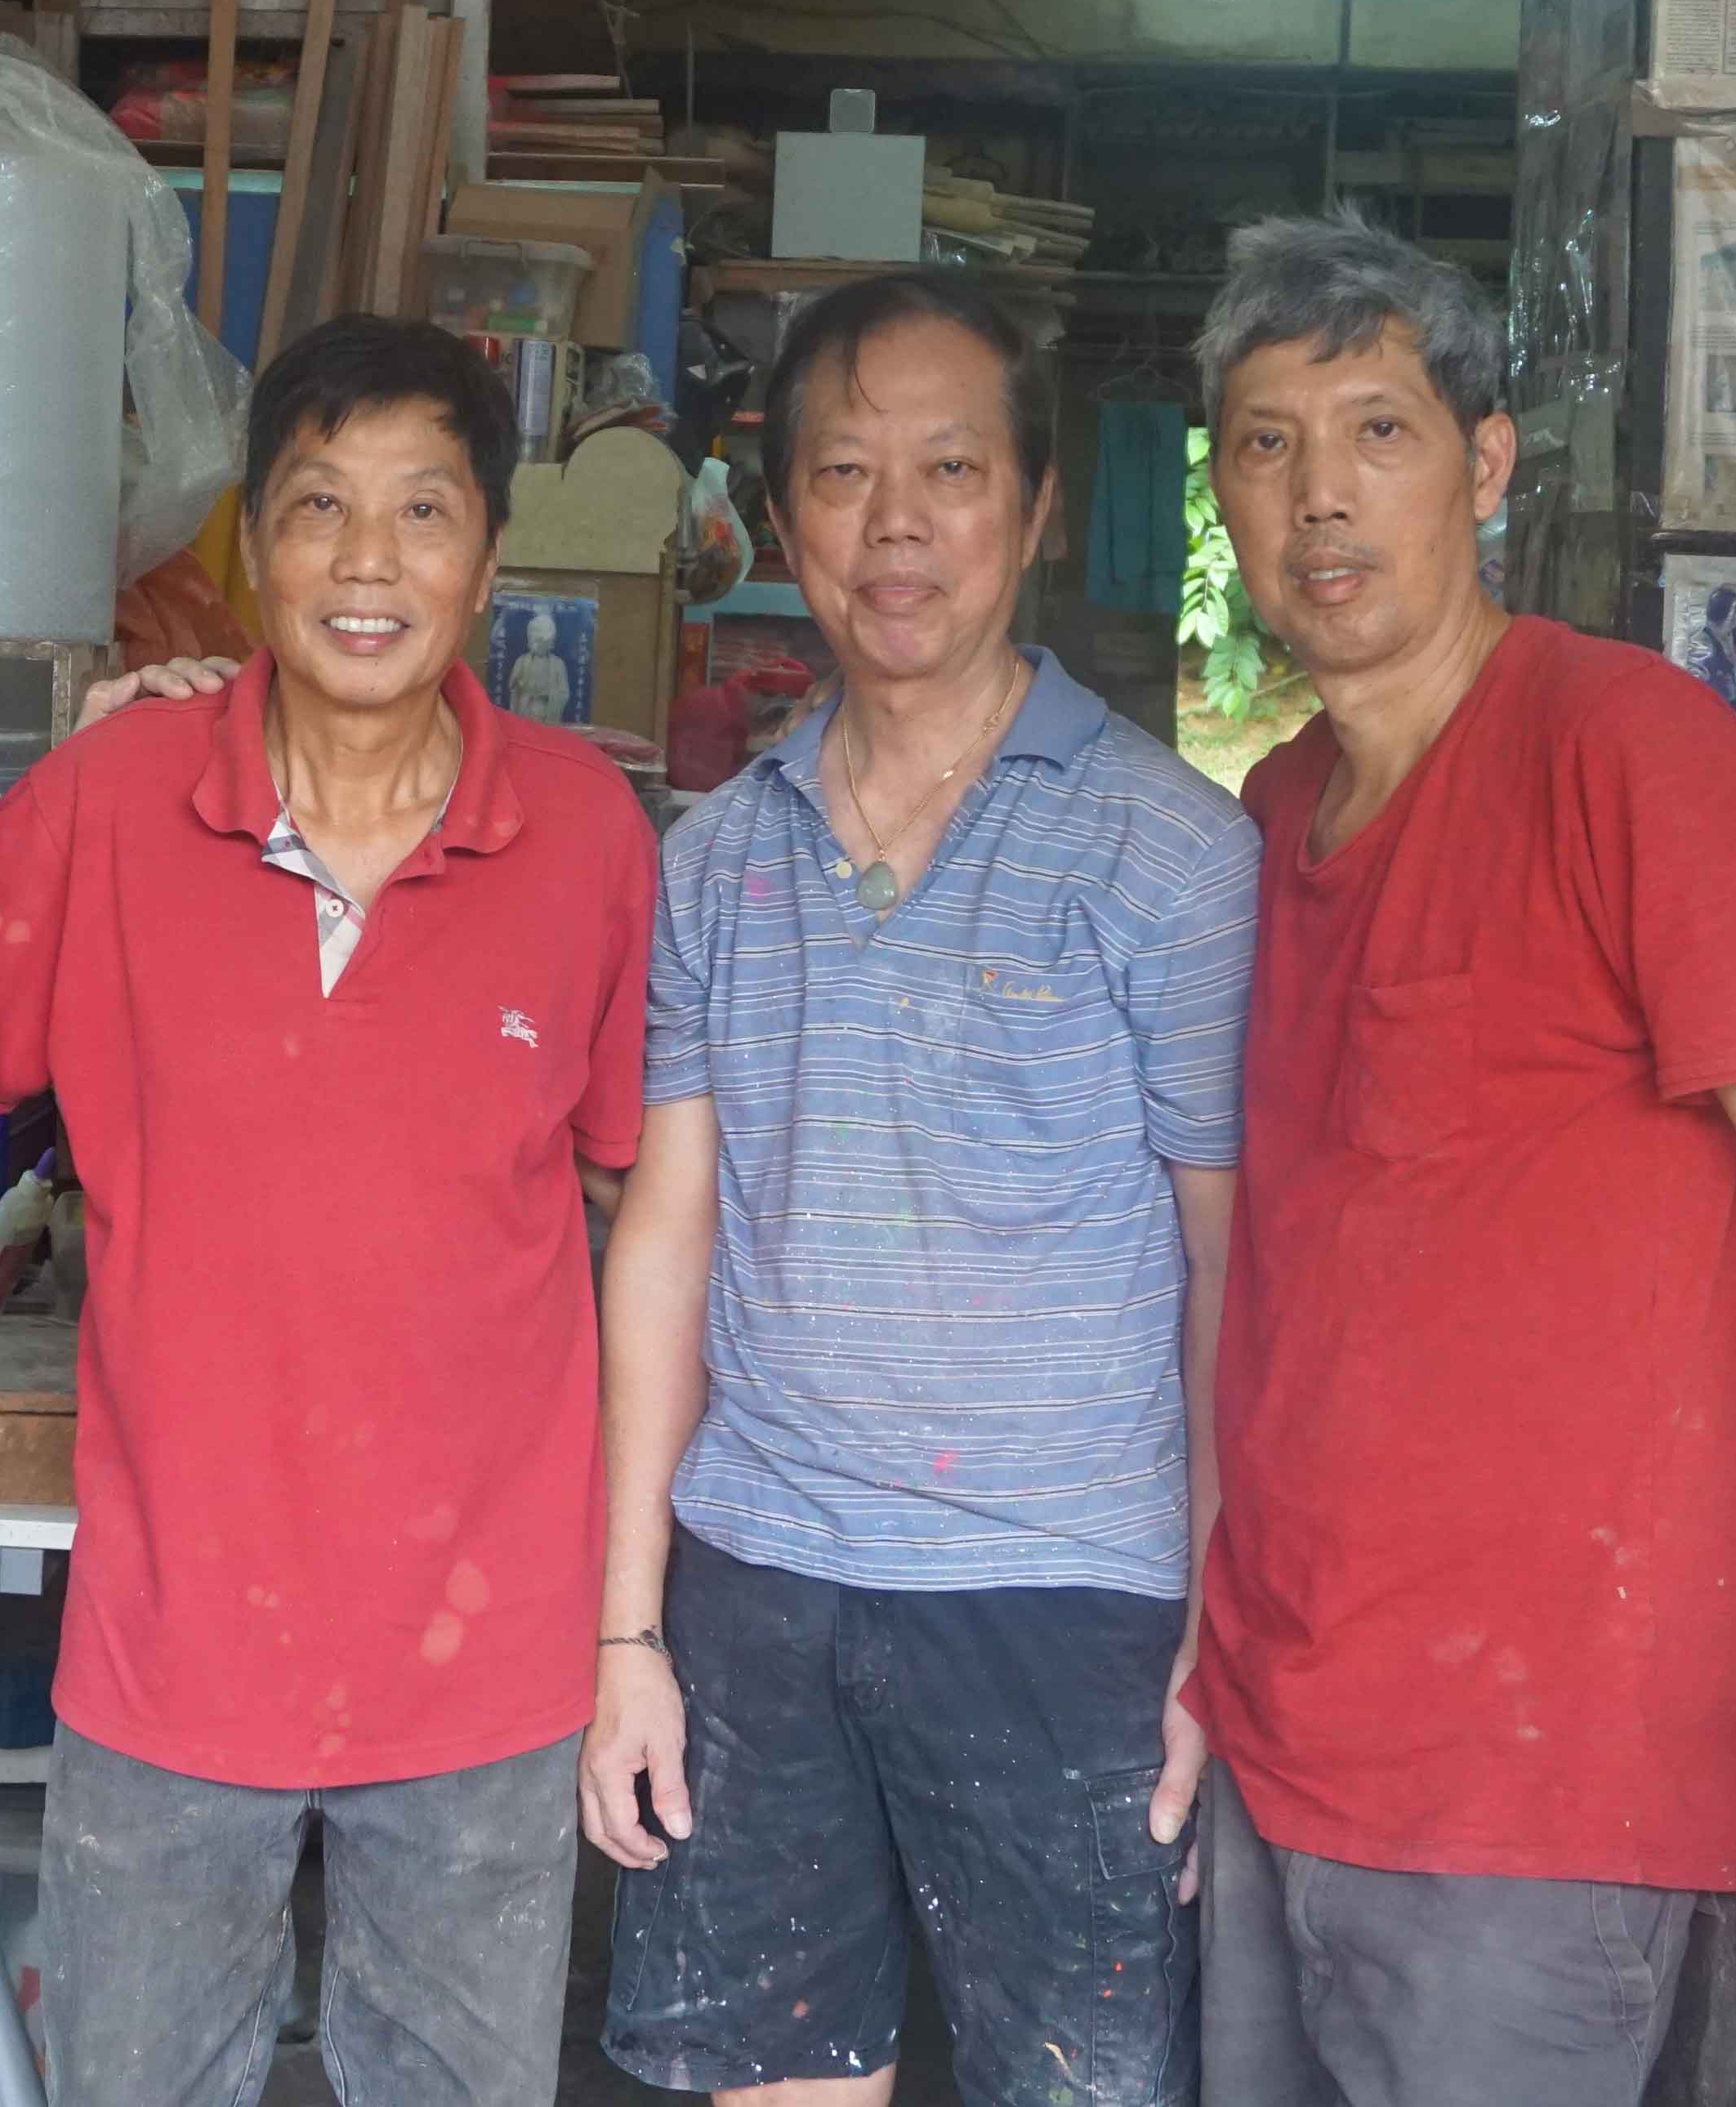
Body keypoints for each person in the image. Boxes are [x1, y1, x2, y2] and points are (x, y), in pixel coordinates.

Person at [1180, 214, 1736, 2107]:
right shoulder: (1282, 803)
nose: (1321, 495)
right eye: (1264, 441)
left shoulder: (1625, 742)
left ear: (1485, 462)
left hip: (1528, 1789)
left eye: (1379, 431)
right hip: (1278, 1722)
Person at [0, 312, 658, 2107]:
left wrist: (624, 1625)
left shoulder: (587, 837)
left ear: (489, 557)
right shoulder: (108, 803)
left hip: (482, 1665)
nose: (368, 561)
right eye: (318, 505)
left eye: (422, 511)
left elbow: (627, 1194)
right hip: (173, 1642)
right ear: (251, 548)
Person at [586, 270, 1256, 2107]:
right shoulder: (718, 855)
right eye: (843, 472)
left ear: (1038, 509)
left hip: (1068, 1605)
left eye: (951, 470)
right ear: (776, 511)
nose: (897, 527)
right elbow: (668, 1235)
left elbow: (1234, 1271)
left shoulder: (1174, 853)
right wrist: (628, 1624)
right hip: (760, 1587)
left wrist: (1216, 1624)